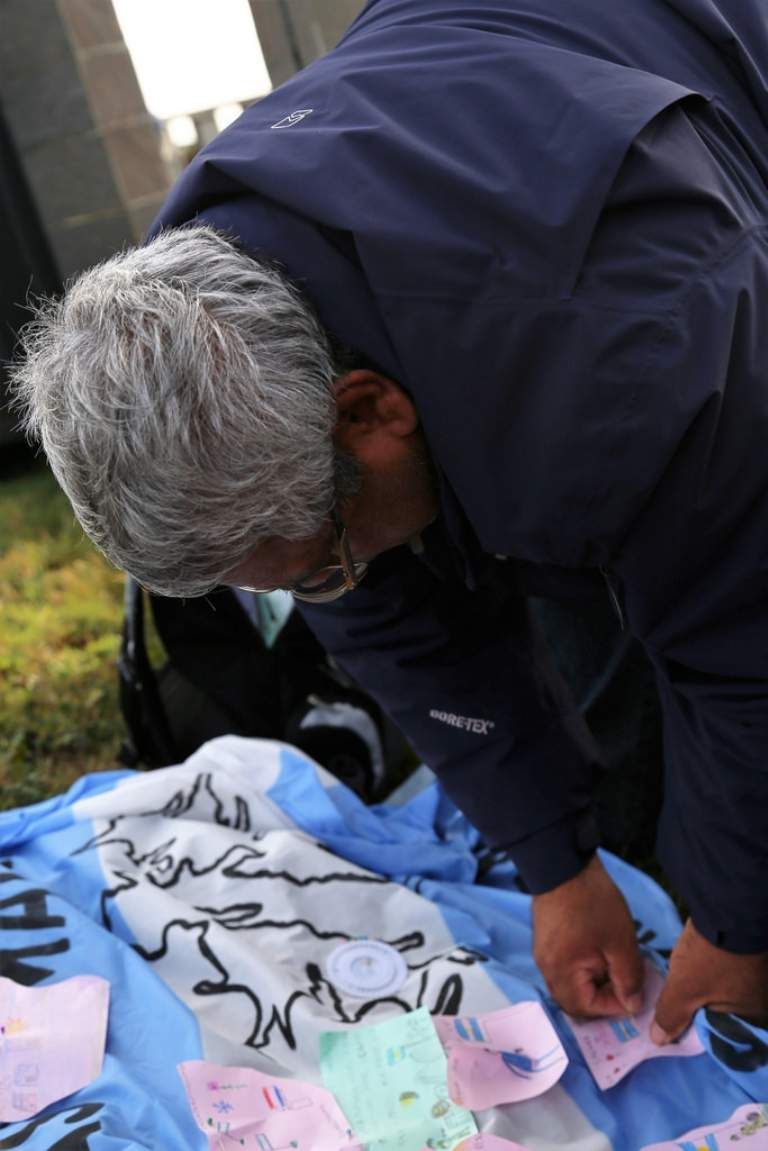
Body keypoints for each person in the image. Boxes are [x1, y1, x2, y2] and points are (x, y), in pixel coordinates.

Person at [12, 0, 768, 1040]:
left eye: (318, 568)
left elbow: (746, 632)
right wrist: (555, 860)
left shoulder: (638, 356)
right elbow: (388, 616)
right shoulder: (201, 310)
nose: (329, 587)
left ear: (368, 411)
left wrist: (735, 921)